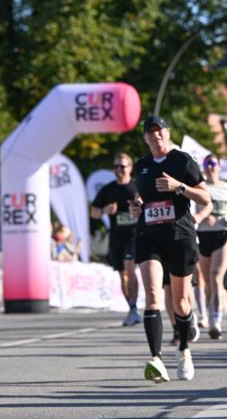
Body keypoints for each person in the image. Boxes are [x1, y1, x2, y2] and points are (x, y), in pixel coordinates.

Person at [131, 116, 211, 383]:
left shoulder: (182, 160)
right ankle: (156, 358)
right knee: (153, 294)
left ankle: (184, 349)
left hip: (179, 236)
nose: (156, 136)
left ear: (167, 133)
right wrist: (137, 206)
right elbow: (141, 198)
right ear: (145, 138)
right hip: (148, 236)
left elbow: (205, 197)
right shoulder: (141, 166)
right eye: (150, 132)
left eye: (159, 131)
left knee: (180, 302)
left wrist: (181, 187)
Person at [90, 152, 142, 326]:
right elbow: (94, 212)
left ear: (130, 168)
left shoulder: (136, 188)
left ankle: (134, 308)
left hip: (134, 236)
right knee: (123, 277)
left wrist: (139, 205)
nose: (118, 169)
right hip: (116, 238)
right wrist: (105, 210)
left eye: (122, 166)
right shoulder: (108, 189)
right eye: (116, 166)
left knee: (130, 269)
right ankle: (132, 308)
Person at [197, 156, 227, 339]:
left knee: (216, 276)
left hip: (224, 234)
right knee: (207, 281)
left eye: (213, 164)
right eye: (207, 165)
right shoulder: (199, 187)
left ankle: (216, 320)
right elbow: (190, 209)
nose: (210, 168)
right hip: (203, 235)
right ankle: (209, 314)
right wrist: (202, 215)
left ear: (219, 167)